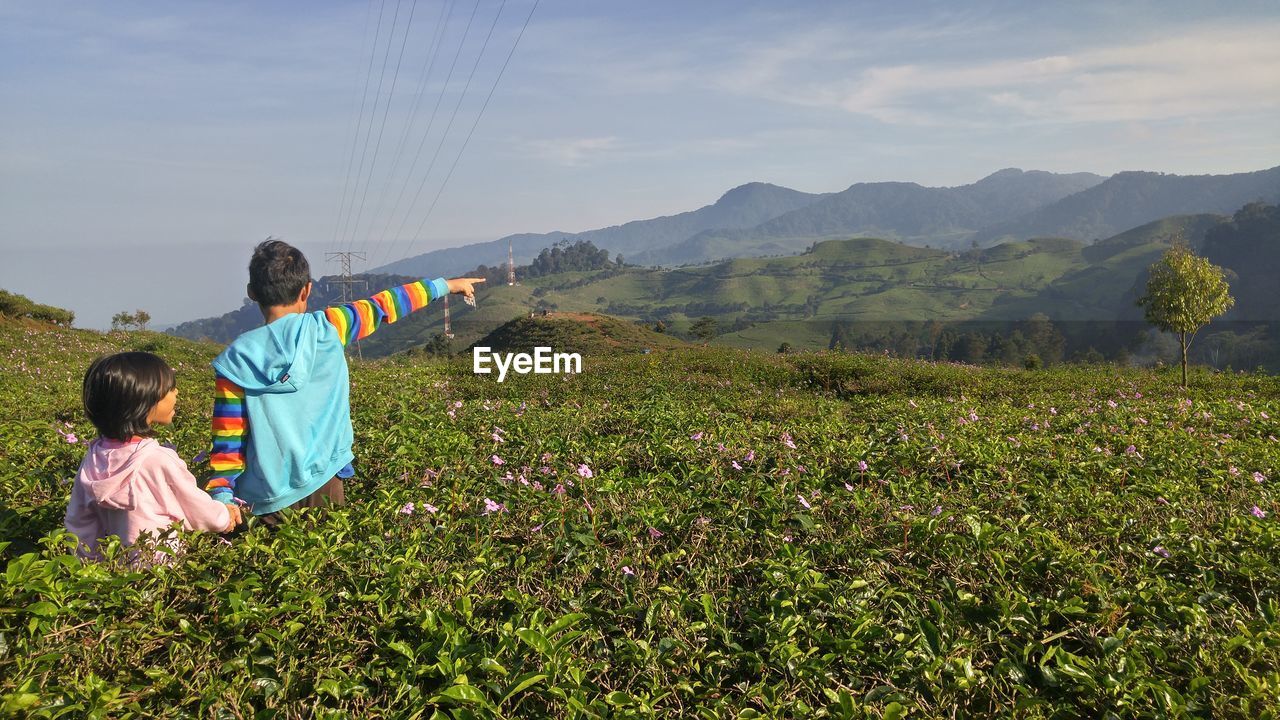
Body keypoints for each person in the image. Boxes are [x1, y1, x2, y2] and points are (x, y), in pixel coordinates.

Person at [203, 238, 483, 523]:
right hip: (326, 483)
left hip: (264, 499)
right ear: (306, 290)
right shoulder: (330, 327)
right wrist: (446, 285)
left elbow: (229, 437)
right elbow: (385, 305)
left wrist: (222, 494)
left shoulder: (235, 360)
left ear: (252, 292)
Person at [63, 352, 241, 562]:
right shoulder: (157, 459)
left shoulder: (94, 457)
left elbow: (79, 521)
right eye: (169, 389)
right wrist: (224, 516)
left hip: (114, 572)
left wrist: (88, 564)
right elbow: (196, 507)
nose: (176, 392)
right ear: (144, 401)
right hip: (160, 570)